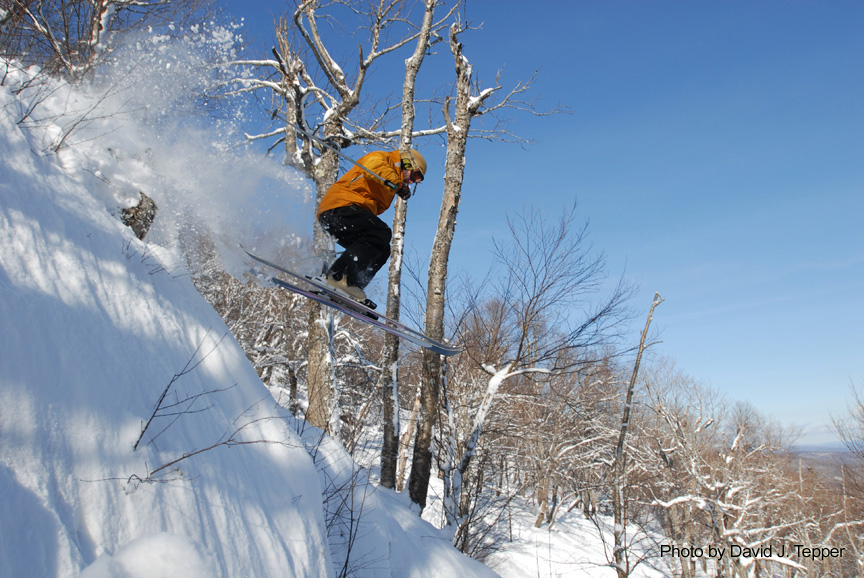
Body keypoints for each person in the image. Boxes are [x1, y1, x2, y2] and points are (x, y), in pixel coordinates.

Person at [316, 149, 427, 305]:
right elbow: (374, 167)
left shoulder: (391, 185)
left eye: (417, 180)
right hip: (339, 207)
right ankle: (337, 276)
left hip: (344, 214)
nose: (412, 181)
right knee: (380, 233)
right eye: (415, 175)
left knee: (382, 249)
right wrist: (396, 183)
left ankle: (351, 285)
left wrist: (397, 185)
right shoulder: (383, 158)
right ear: (408, 163)